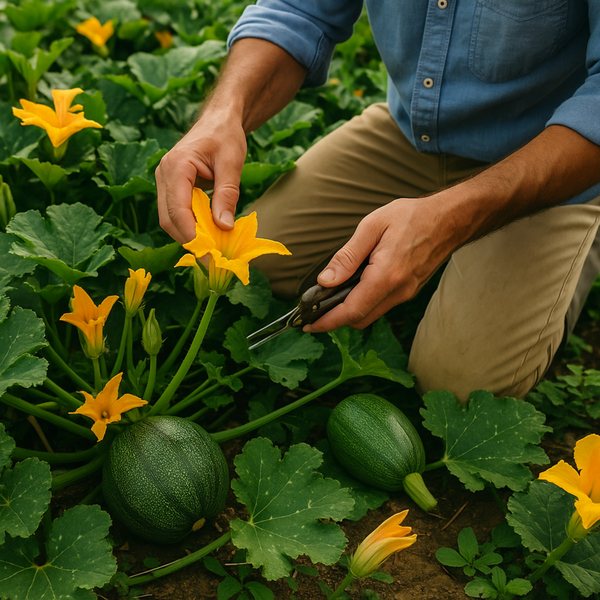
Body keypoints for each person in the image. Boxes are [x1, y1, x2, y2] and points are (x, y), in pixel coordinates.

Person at [156, 1, 600, 402]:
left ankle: (585, 238)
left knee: (457, 390)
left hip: (553, 151)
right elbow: (297, 10)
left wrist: (451, 218)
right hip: (411, 134)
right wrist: (223, 114)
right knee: (251, 271)